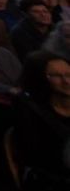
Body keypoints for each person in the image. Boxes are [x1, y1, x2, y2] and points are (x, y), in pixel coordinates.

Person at [13, 50, 70, 190]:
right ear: (41, 78)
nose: (66, 81)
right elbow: (35, 156)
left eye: (69, 74)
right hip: (49, 179)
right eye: (56, 76)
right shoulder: (31, 110)